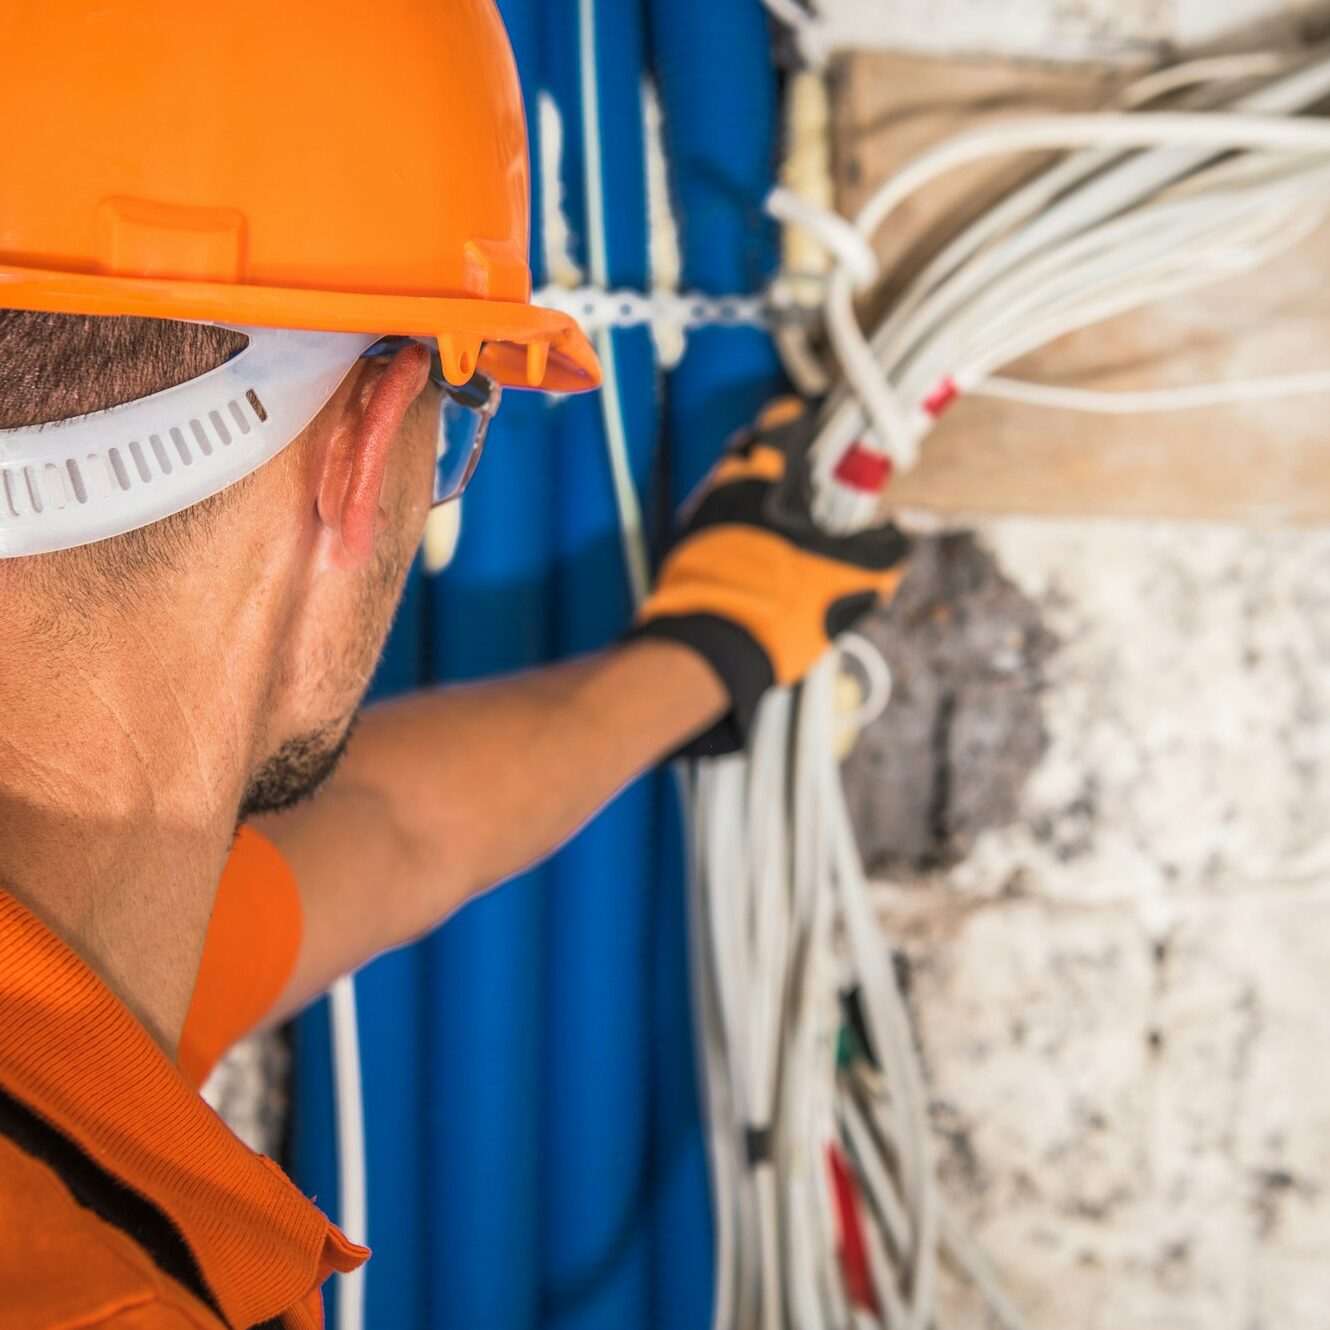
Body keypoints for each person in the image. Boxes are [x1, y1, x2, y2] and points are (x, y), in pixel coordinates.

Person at [0, 2, 907, 1326]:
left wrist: (705, 648)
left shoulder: (76, 968)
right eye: (455, 413)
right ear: (366, 451)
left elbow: (391, 831)